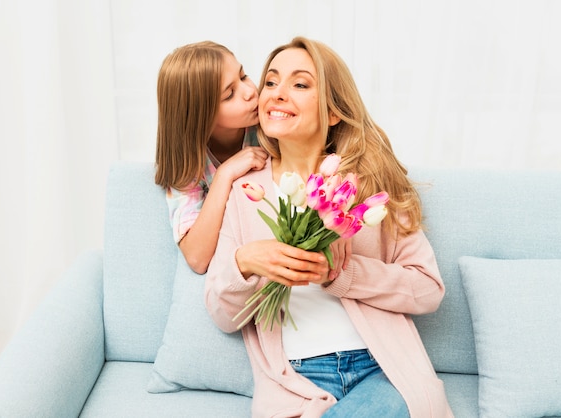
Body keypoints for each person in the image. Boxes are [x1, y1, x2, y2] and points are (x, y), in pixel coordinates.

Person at [205, 37, 454, 417]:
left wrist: (343, 274)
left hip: (382, 371)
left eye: (300, 84)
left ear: (334, 112)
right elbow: (223, 316)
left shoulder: (370, 186)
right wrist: (245, 262)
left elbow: (428, 289)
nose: (277, 94)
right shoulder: (245, 192)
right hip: (297, 383)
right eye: (270, 82)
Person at [154, 41, 268, 274]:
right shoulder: (188, 162)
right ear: (199, 116)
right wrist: (226, 173)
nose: (250, 91)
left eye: (244, 76)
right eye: (229, 94)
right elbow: (197, 258)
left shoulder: (268, 127)